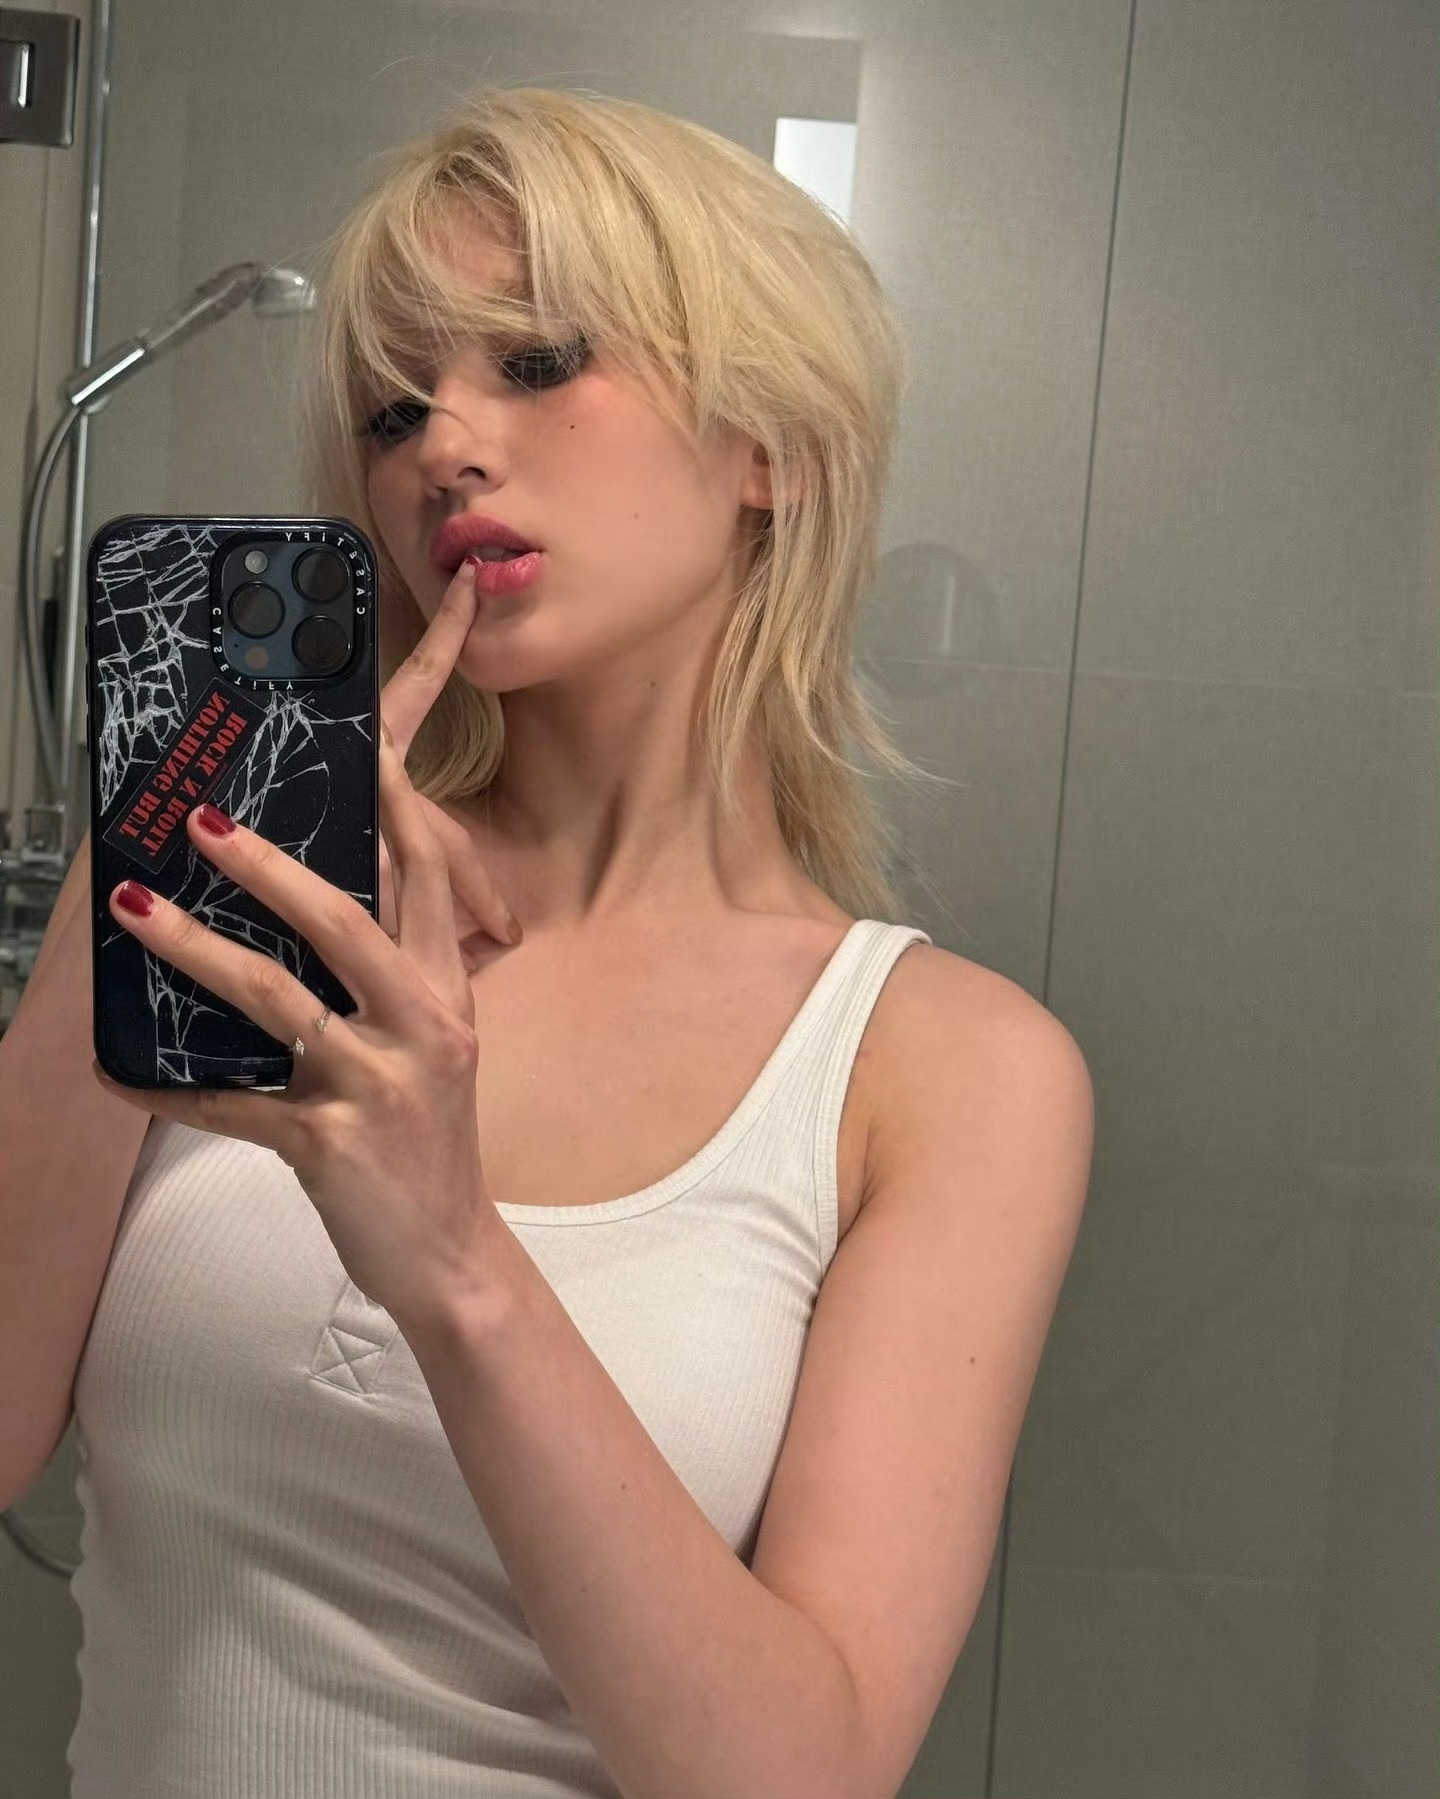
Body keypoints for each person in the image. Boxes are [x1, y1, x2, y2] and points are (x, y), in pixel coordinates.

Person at [0, 85, 1094, 1799]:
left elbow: (798, 1774)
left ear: (772, 447)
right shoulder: (252, 912)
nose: (442, 442)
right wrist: (147, 860)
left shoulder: (941, 1071)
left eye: (537, 359)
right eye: (393, 406)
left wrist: (456, 1265)